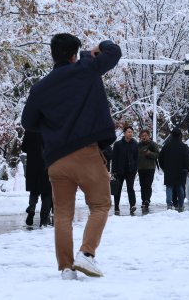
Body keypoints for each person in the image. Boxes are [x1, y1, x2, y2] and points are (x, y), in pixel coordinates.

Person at [21, 34, 121, 280]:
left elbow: (28, 122)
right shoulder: (86, 69)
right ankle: (86, 254)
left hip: (57, 159)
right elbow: (114, 52)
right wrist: (99, 47)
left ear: (53, 54)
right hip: (86, 154)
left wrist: (53, 126)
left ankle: (66, 269)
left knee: (63, 214)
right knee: (100, 205)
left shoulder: (41, 87)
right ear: (74, 53)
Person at [21, 130, 53, 228]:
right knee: (47, 193)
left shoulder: (30, 129)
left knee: (34, 190)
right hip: (46, 164)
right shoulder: (49, 128)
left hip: (33, 165)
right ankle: (43, 220)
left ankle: (31, 208)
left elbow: (24, 147)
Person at [158, 127, 189, 211]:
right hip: (181, 171)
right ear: (180, 135)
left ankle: (169, 204)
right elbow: (188, 158)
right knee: (180, 187)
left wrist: (164, 168)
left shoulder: (166, 146)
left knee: (169, 187)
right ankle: (181, 204)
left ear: (172, 135)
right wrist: (188, 168)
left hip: (169, 170)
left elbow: (160, 158)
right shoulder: (184, 146)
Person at [111, 126, 139, 215]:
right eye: (128, 132)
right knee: (118, 189)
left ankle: (132, 205)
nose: (130, 133)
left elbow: (137, 157)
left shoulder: (135, 144)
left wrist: (135, 168)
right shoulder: (118, 144)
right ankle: (116, 207)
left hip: (131, 170)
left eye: (131, 132)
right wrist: (113, 171)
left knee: (130, 188)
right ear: (124, 133)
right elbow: (114, 158)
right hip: (119, 170)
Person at [137, 129, 159, 212]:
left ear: (148, 136)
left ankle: (147, 200)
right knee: (142, 185)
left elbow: (157, 154)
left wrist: (150, 153)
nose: (144, 137)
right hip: (140, 168)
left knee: (148, 185)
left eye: (145, 135)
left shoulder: (153, 144)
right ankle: (143, 200)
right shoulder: (138, 145)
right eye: (142, 136)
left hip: (150, 168)